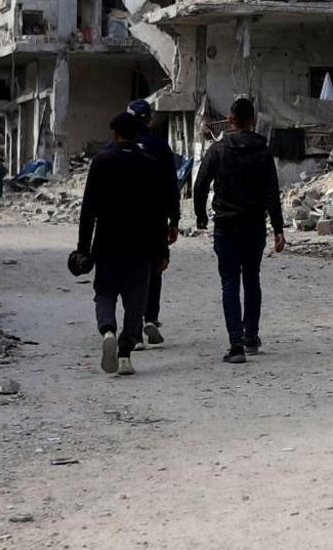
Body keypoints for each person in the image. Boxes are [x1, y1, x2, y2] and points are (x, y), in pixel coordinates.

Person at [75, 112, 178, 376]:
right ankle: (124, 355)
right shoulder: (151, 164)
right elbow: (159, 212)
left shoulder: (101, 162)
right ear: (137, 134)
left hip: (107, 243)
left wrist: (83, 249)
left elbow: (88, 211)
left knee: (105, 293)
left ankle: (108, 330)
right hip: (141, 246)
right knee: (135, 301)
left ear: (115, 134)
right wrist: (162, 250)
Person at [192, 97, 284, 364]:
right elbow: (271, 193)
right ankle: (251, 337)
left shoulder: (218, 149)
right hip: (254, 226)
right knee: (252, 279)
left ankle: (236, 345)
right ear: (253, 121)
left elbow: (200, 186)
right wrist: (278, 228)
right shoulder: (263, 151)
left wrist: (201, 217)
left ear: (230, 121)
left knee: (229, 283)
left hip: (226, 226)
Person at [129, 99, 177, 347]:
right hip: (155, 218)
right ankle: (151, 316)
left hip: (125, 221)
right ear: (149, 120)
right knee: (155, 267)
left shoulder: (116, 148)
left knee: (130, 272)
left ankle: (134, 331)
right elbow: (172, 185)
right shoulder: (160, 147)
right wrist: (175, 219)